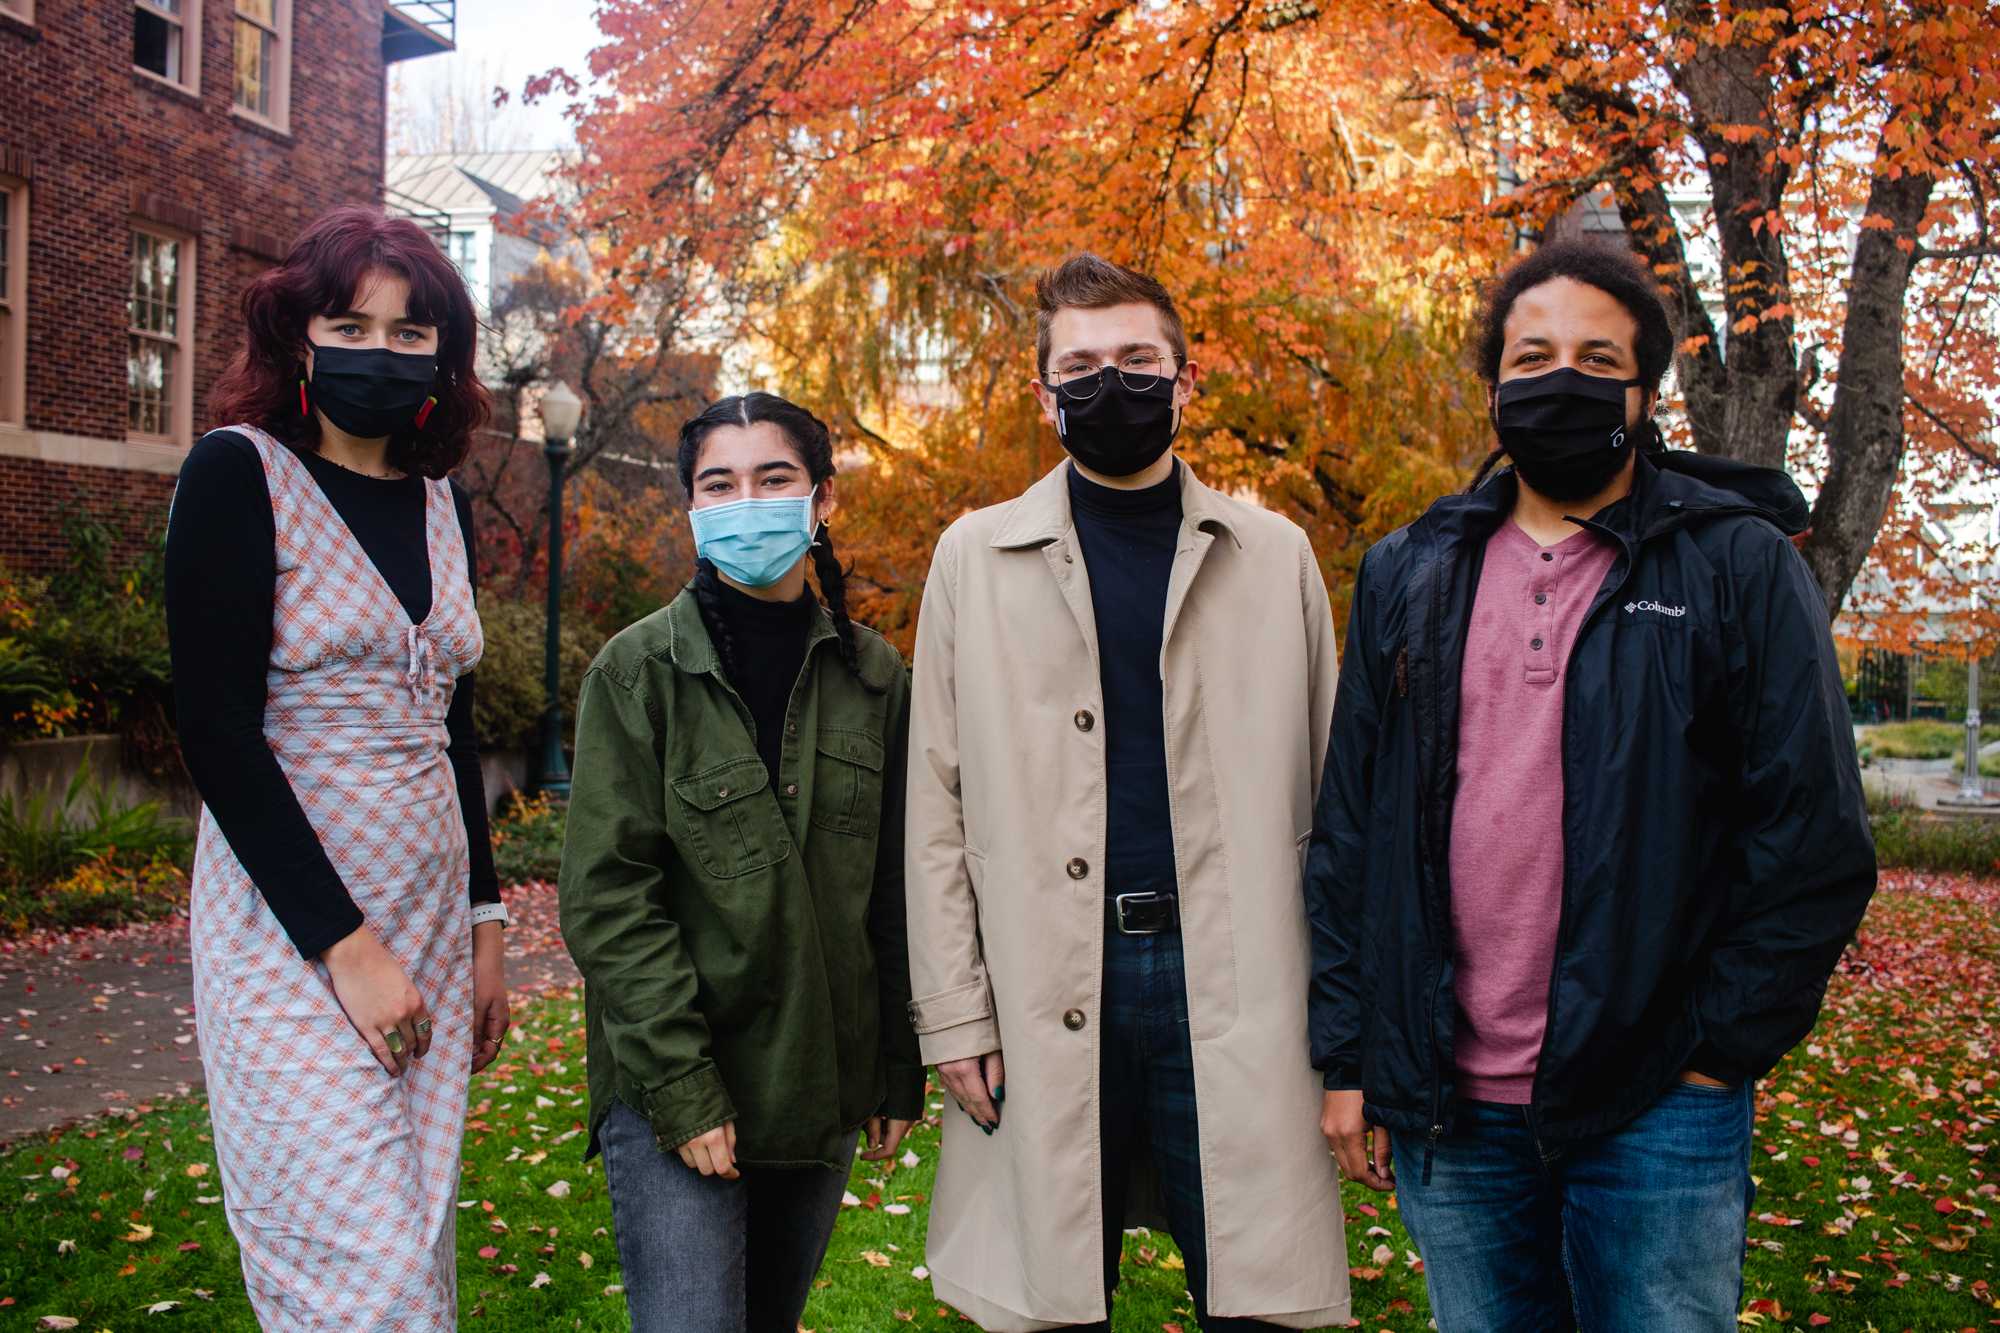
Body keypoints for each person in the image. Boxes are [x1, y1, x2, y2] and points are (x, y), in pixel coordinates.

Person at [1306, 236, 1877, 1332]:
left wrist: (1717, 1050)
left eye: (1592, 357)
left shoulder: (1736, 563)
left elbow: (1811, 838)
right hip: (1450, 1108)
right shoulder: (1407, 569)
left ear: (1641, 392)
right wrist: (1351, 1056)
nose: (1558, 379)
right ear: (1491, 387)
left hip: (1656, 1099)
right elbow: (1349, 838)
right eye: (1530, 356)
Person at [905, 253, 1351, 1332]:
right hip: (1044, 968)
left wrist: (1348, 1026)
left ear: (1185, 380)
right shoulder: (971, 557)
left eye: (1138, 362)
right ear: (1043, 392)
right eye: (1084, 366)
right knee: (1050, 1300)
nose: (1113, 385)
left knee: (1261, 1297)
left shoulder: (1276, 556)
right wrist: (954, 1011)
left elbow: (1341, 810)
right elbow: (934, 806)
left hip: (1238, 973)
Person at [165, 206, 510, 1326]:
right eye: (350, 323)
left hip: (430, 928)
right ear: (300, 336)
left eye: (412, 333)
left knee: (413, 1246)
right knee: (353, 1270)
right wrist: (345, 946)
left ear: (443, 357)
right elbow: (217, 732)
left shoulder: (440, 504)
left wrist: (487, 922)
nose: (380, 350)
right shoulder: (240, 474)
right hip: (295, 937)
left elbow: (451, 730)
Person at [559, 392, 924, 1333]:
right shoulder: (637, 676)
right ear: (691, 507)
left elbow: (894, 885)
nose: (746, 501)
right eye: (719, 484)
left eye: (774, 479)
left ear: (823, 499)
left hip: (817, 1080)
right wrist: (683, 1089)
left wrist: (894, 1068)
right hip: (677, 1077)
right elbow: (608, 900)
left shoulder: (877, 678)